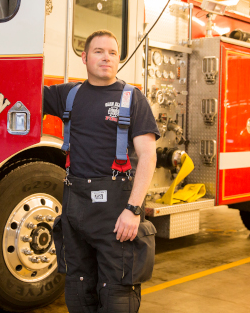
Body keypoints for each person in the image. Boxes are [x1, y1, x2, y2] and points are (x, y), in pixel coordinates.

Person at [45, 30, 160, 313]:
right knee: (78, 286)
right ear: (84, 57)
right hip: (75, 206)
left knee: (117, 292)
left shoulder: (133, 98)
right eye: (98, 51)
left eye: (112, 52)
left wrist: (133, 210)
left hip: (116, 209)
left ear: (119, 59)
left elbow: (148, 155)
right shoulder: (67, 95)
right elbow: (20, 87)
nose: (106, 57)